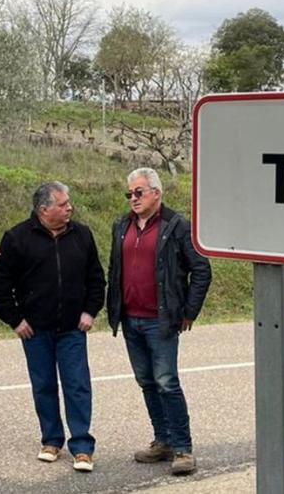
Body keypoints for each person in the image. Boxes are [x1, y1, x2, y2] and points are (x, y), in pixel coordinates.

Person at [0, 181, 105, 472]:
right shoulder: (16, 238)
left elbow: (96, 278)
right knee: (43, 386)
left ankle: (82, 446)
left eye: (69, 203)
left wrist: (90, 311)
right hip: (35, 331)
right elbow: (1, 285)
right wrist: (15, 320)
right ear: (44, 209)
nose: (70, 208)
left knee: (77, 386)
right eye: (63, 204)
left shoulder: (82, 235)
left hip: (72, 329)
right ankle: (51, 440)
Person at [106, 167, 212, 476]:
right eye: (129, 194)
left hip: (161, 321)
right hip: (130, 319)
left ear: (156, 193)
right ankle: (162, 441)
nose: (133, 198)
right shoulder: (120, 226)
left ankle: (183, 448)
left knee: (167, 382)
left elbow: (201, 270)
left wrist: (188, 311)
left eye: (138, 192)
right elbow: (115, 269)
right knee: (147, 382)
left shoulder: (177, 226)